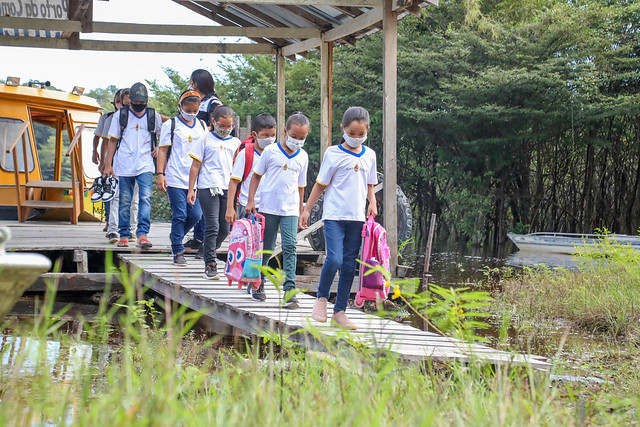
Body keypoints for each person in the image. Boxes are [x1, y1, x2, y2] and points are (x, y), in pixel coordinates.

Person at [299, 107, 378, 330]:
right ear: (343, 129)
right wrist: (306, 209)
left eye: (360, 134)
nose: (355, 138)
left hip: (356, 218)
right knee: (333, 259)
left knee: (348, 264)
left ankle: (340, 311)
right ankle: (321, 298)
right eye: (351, 133)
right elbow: (320, 184)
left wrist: (372, 202)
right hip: (334, 216)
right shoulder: (333, 153)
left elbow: (370, 183)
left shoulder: (370, 155)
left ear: (367, 131)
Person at [246, 112, 310, 309]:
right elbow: (256, 176)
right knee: (267, 246)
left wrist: (301, 211)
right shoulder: (271, 151)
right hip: (269, 207)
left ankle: (290, 290)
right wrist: (250, 200)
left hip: (290, 209)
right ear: (285, 132)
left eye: (302, 138)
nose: (297, 141)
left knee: (290, 247)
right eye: (294, 137)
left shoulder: (303, 156)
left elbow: (301, 186)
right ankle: (258, 283)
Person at [103, 82, 162, 249]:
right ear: (131, 101)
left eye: (142, 103)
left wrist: (158, 148)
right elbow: (112, 140)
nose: (139, 106)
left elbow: (163, 137)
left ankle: (142, 234)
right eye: (136, 103)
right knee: (125, 199)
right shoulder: (120, 115)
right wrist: (108, 165)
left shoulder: (153, 115)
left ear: (146, 101)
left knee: (145, 198)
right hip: (124, 163)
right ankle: (124, 234)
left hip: (145, 163)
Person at [225, 113, 276, 301]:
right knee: (252, 248)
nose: (269, 139)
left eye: (272, 135)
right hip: (249, 208)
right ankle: (256, 284)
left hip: (271, 207)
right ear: (255, 134)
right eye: (265, 136)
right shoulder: (246, 154)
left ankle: (257, 279)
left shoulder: (276, 153)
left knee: (267, 247)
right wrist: (230, 207)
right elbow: (233, 182)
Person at [187, 105, 239, 279]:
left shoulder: (235, 143)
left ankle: (206, 249)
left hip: (227, 188)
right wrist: (191, 189)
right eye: (221, 125)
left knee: (225, 228)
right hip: (207, 186)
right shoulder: (204, 139)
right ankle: (210, 263)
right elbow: (195, 165)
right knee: (212, 225)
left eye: (228, 126)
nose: (225, 129)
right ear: (213, 122)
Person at [157, 90, 207, 266]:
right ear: (180, 107)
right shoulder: (170, 125)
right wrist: (160, 174)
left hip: (197, 180)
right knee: (180, 214)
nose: (191, 113)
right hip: (175, 176)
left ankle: (176, 236)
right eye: (188, 109)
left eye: (195, 110)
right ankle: (178, 250)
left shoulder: (201, 125)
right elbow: (162, 150)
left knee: (195, 215)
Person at [184, 69, 223, 257]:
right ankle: (199, 236)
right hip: (199, 150)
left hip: (208, 152)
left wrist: (201, 133)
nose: (189, 84)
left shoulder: (213, 102)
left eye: (191, 81)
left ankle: (203, 240)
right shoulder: (200, 101)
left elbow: (217, 123)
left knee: (206, 197)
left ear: (197, 83)